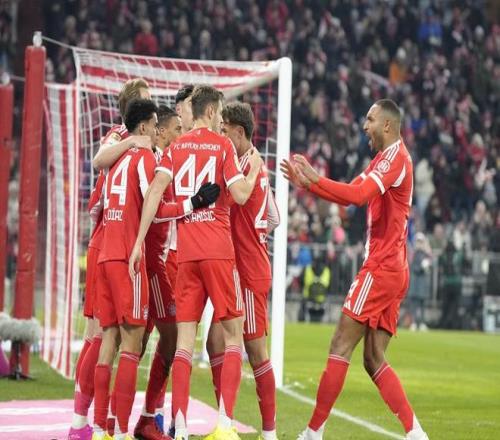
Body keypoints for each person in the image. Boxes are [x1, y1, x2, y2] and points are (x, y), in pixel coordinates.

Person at [281, 99, 429, 440]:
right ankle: (415, 433)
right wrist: (310, 185)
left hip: (381, 267)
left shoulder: (394, 159)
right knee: (373, 358)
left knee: (339, 345)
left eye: (370, 119)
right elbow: (351, 194)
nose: (365, 126)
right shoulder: (384, 160)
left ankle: (313, 433)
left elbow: (359, 196)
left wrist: (315, 179)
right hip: (395, 268)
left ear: (387, 125)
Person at [129, 85, 263, 440]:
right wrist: (254, 170)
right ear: (211, 111)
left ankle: (182, 427)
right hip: (218, 251)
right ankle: (225, 424)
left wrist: (138, 241)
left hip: (186, 255)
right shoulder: (222, 146)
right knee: (233, 336)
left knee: (184, 344)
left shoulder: (176, 147)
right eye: (219, 113)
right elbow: (241, 195)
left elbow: (154, 194)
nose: (221, 121)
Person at [68, 78, 152, 440]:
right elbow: (99, 159)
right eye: (147, 101)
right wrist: (133, 141)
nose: (152, 107)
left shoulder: (132, 143)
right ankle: (85, 423)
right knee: (101, 336)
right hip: (112, 242)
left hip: (109, 241)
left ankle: (94, 423)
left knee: (107, 337)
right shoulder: (122, 136)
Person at [205, 102, 280, 440]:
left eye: (224, 130)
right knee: (214, 343)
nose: (221, 135)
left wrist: (249, 237)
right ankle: (226, 421)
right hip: (240, 266)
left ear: (238, 132)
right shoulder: (254, 165)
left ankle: (269, 432)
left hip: (247, 271)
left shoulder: (243, 168)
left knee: (255, 351)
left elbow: (237, 201)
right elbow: (275, 217)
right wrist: (256, 230)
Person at [92, 99, 160, 440]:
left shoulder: (115, 159)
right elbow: (153, 203)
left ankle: (98, 427)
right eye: (155, 125)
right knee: (132, 346)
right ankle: (119, 431)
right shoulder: (144, 157)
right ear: (144, 126)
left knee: (109, 341)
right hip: (127, 258)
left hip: (106, 254)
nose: (157, 131)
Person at [407, 233, 432, 331]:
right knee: (414, 303)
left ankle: (422, 323)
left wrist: (427, 265)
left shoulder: (426, 254)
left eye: (421, 241)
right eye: (418, 241)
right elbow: (413, 267)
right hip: (415, 281)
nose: (419, 243)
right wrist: (422, 267)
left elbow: (430, 264)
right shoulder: (413, 254)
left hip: (422, 282)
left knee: (422, 303)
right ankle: (413, 322)